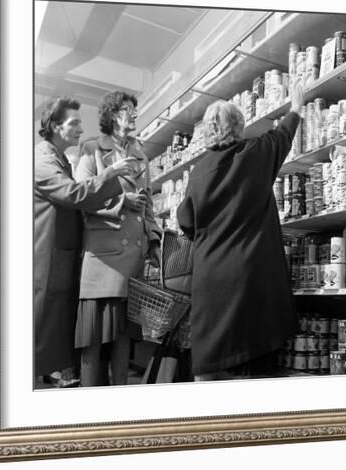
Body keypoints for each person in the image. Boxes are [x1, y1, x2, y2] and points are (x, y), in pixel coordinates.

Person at [176, 83, 304, 381]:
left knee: (211, 364)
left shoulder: (197, 172)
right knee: (255, 359)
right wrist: (296, 107)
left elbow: (186, 221)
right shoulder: (255, 153)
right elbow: (283, 134)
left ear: (208, 131)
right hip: (250, 275)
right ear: (239, 126)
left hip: (210, 277)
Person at [34, 96, 137, 387]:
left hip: (63, 257)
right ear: (55, 126)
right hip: (47, 257)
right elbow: (75, 195)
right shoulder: (41, 160)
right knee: (41, 329)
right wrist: (111, 174)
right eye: (74, 122)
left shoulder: (60, 159)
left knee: (53, 331)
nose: (81, 128)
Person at [75, 91, 161, 386]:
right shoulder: (91, 149)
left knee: (123, 340)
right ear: (112, 115)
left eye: (134, 110)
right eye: (127, 110)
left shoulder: (141, 152)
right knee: (94, 341)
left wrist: (154, 239)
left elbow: (148, 203)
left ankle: (120, 406)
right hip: (103, 258)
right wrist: (120, 200)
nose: (134, 115)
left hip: (133, 258)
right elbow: (80, 197)